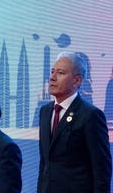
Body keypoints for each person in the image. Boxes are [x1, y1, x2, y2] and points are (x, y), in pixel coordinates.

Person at [37, 52, 111, 193]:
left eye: (60, 73)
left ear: (77, 81)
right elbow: (45, 163)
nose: (52, 78)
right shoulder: (45, 112)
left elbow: (101, 169)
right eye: (52, 72)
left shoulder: (90, 115)